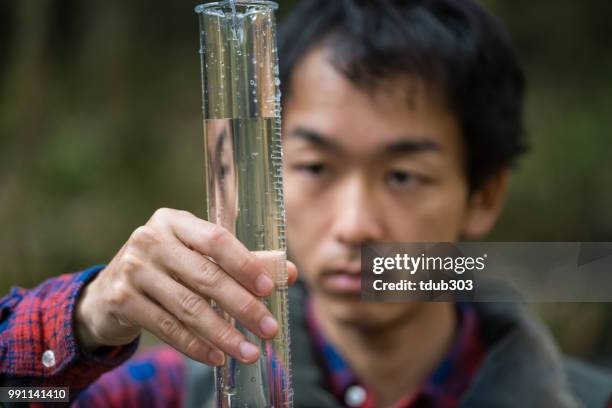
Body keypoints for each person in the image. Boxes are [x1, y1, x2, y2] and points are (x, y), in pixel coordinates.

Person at [1, 0, 611, 407]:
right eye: (317, 167)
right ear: (266, 170)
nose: (354, 226)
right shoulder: (172, 392)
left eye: (402, 176)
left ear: (483, 195)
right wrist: (84, 319)